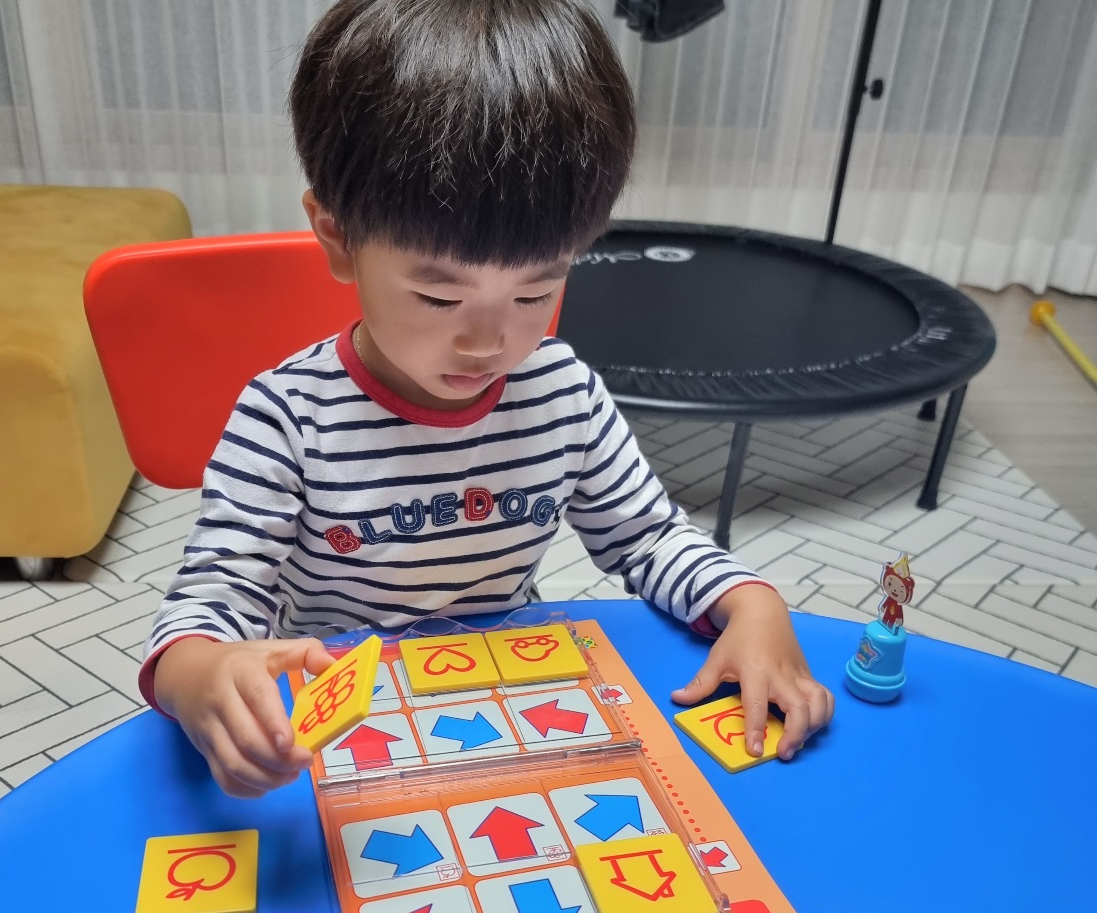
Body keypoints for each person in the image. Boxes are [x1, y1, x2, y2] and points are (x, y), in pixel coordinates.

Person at [141, 0, 834, 798]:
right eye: (439, 298)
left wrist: (751, 603)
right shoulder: (285, 418)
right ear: (338, 239)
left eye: (536, 292)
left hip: (504, 703)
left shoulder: (563, 393)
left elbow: (646, 538)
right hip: (337, 740)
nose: (488, 343)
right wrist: (200, 676)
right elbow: (213, 599)